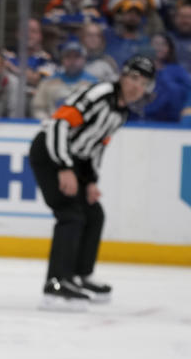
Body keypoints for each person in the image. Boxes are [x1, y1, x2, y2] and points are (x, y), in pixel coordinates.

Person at [29, 55, 156, 310]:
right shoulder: (101, 93)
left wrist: (90, 182)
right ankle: (56, 282)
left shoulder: (121, 113)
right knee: (70, 214)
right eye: (133, 78)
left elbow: (95, 148)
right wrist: (64, 166)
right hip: (50, 152)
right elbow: (59, 123)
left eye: (143, 83)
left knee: (94, 214)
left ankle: (79, 275)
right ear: (122, 75)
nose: (136, 86)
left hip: (73, 161)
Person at [30, 40, 97, 121]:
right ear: (62, 60)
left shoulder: (94, 85)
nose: (72, 60)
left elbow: (98, 111)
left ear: (84, 59)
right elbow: (38, 109)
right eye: (68, 56)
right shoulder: (47, 83)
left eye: (77, 56)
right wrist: (48, 123)